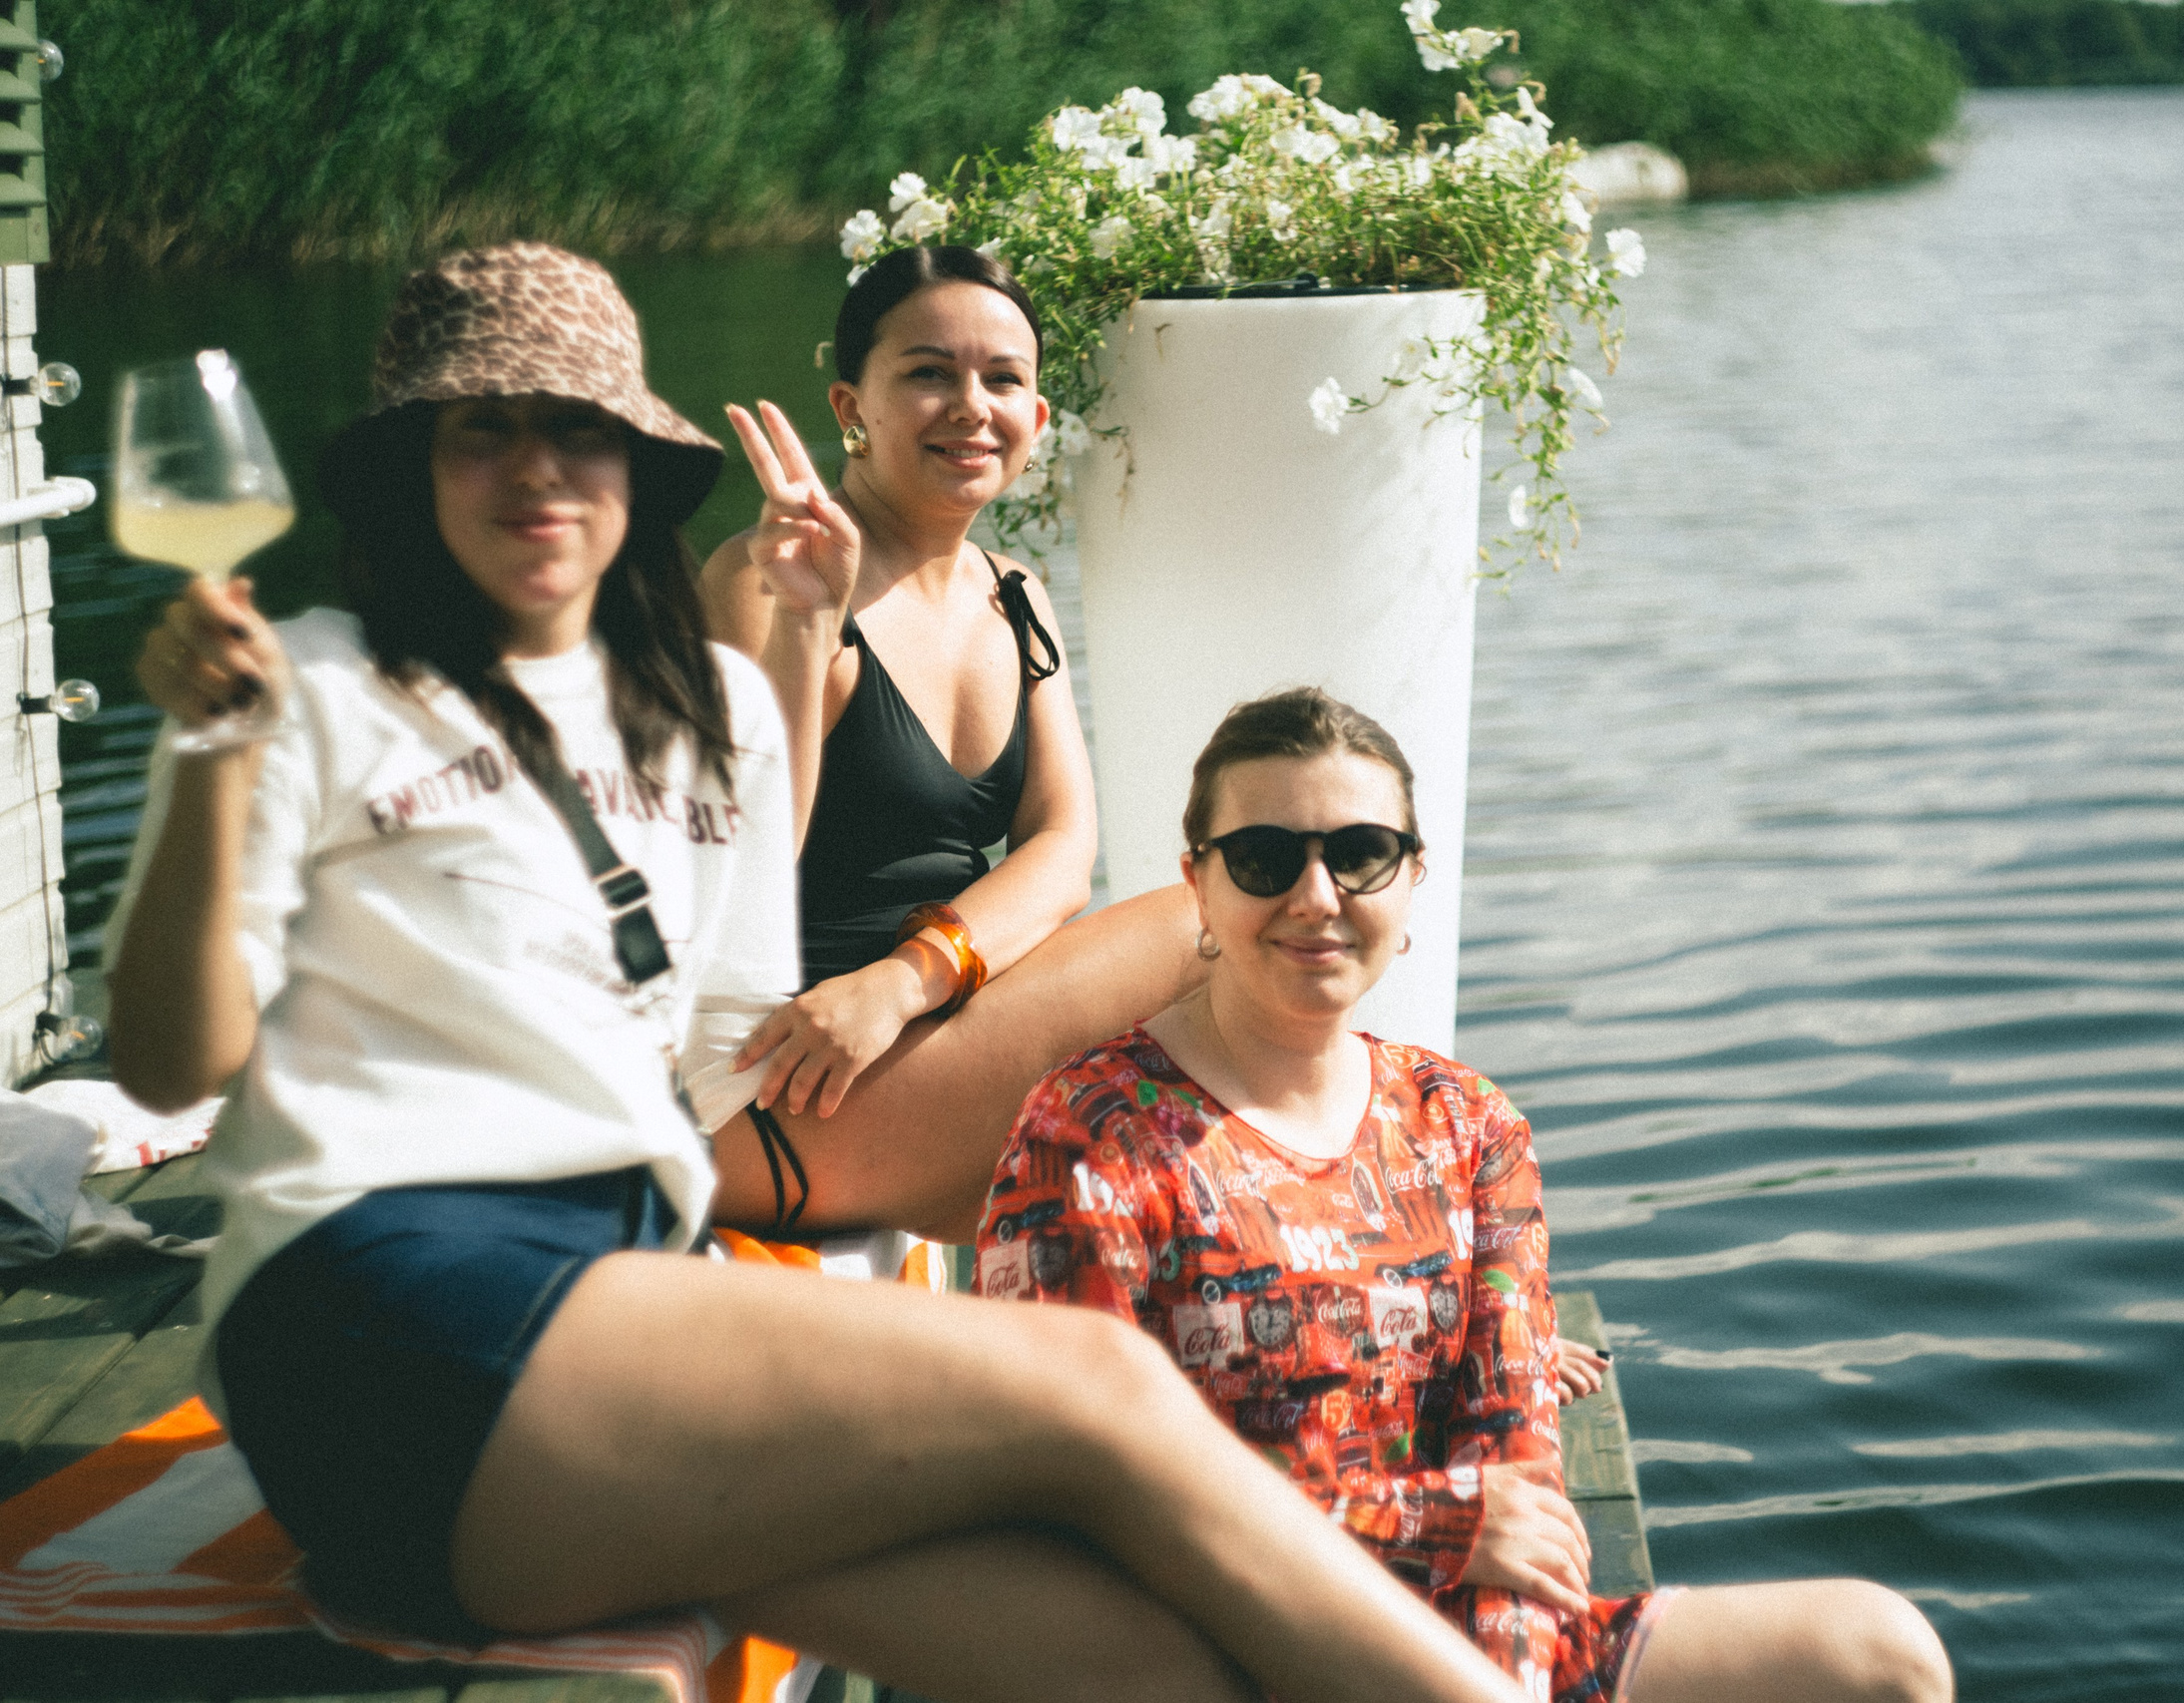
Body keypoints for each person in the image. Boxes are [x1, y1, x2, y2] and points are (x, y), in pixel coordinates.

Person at [103, 241, 1527, 1703]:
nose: (540, 473)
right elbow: (166, 1062)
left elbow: (727, 978)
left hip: (584, 1349)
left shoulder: (690, 702)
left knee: (1128, 1646)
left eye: (580, 431)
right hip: (388, 1315)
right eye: (487, 429)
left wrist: (791, 646)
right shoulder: (317, 682)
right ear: (415, 466)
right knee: (1094, 1389)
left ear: (635, 472)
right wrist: (213, 753)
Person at [977, 687, 1958, 1703]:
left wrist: (1504, 1678)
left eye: (1358, 854)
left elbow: (1514, 1471)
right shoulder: (1087, 1134)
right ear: (1199, 887)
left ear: (1410, 880)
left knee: (1883, 1656)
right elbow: (1069, 1489)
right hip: (1219, 1650)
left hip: (1482, 1640)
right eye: (1266, 859)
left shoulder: (1467, 1125)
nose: (1316, 896)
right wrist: (1431, 1526)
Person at [694, 244, 1200, 1235]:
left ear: (1037, 421)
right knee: (1217, 923)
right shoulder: (771, 579)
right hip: (780, 1085)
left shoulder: (1015, 596)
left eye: (1003, 380)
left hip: (913, 1030)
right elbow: (739, 866)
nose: (972, 406)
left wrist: (905, 981)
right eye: (929, 374)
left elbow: (1062, 852)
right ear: (850, 407)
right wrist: (805, 624)